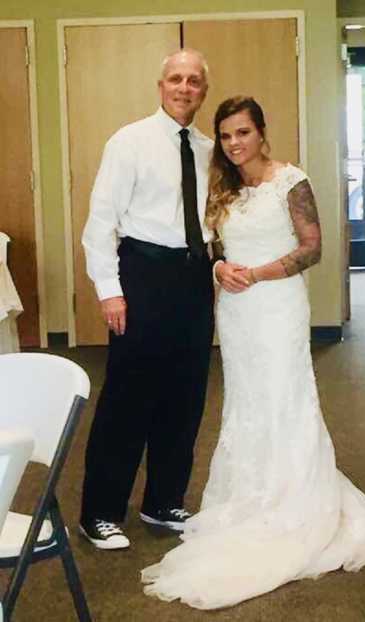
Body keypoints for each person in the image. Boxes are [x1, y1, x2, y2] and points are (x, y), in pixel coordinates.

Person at [141, 96, 365, 608]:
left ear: (262, 133)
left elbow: (313, 247)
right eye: (225, 136)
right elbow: (213, 245)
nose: (234, 144)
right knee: (246, 400)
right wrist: (220, 270)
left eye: (243, 133)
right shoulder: (222, 186)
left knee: (286, 394)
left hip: (278, 304)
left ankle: (295, 499)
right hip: (236, 310)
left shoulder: (292, 180)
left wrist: (258, 274)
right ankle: (249, 495)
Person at [79, 49, 215, 550]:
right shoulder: (129, 142)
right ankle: (99, 512)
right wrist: (110, 292)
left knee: (185, 396)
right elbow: (100, 225)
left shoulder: (206, 148)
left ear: (203, 91)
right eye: (176, 79)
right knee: (127, 399)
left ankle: (163, 501)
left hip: (193, 279)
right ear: (161, 87)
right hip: (142, 276)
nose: (184, 88)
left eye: (194, 81)